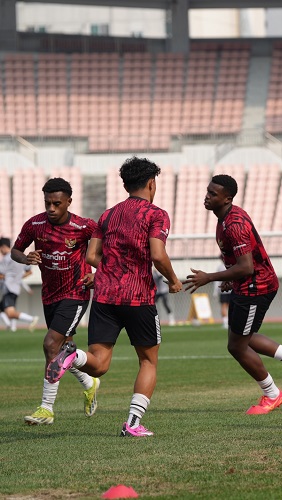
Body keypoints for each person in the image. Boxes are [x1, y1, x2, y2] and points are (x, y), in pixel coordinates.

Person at [45, 157, 183, 438]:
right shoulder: (156, 214)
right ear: (151, 183)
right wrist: (173, 279)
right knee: (148, 361)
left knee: (99, 364)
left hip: (105, 296)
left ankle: (73, 355)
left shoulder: (107, 215)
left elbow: (91, 256)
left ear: (125, 184)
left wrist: (110, 272)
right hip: (138, 298)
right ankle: (132, 423)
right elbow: (157, 255)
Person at [183, 175, 282, 414]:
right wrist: (230, 277)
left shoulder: (233, 224)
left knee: (237, 346)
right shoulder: (224, 218)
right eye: (208, 191)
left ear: (227, 198)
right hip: (247, 285)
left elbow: (247, 267)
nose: (207, 196)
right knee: (244, 337)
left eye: (213, 194)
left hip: (256, 288)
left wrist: (210, 277)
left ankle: (273, 394)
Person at [12, 178, 99, 425]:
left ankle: (46, 408)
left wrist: (97, 274)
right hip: (49, 295)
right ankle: (89, 382)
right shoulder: (35, 224)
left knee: (50, 344)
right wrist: (26, 258)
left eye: (57, 203)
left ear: (68, 202)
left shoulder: (84, 227)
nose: (51, 208)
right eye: (48, 203)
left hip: (76, 293)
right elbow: (16, 250)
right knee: (63, 352)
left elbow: (108, 250)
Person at [0, 237, 39, 331]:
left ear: (4, 247)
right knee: (3, 308)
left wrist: (10, 277)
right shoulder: (19, 257)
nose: (0, 251)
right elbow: (29, 272)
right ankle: (11, 326)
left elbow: (1, 274)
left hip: (9, 287)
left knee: (10, 313)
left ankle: (31, 319)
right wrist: (17, 277)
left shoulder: (6, 259)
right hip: (15, 288)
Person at [214, 258, 232, 328]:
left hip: (223, 290)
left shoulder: (220, 267)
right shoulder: (232, 266)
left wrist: (215, 291)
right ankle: (230, 322)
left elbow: (217, 279)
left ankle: (225, 322)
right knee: (231, 307)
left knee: (223, 306)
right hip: (232, 289)